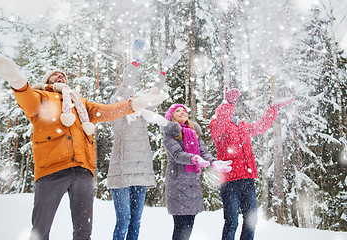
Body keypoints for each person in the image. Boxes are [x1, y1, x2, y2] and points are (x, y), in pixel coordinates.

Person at [0, 55, 168, 240]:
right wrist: (17, 81)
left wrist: (134, 105)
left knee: (83, 231)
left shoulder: (79, 103)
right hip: (51, 169)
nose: (60, 77)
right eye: (55, 75)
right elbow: (27, 101)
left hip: (82, 169)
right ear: (46, 80)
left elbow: (106, 111)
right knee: (41, 229)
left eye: (63, 75)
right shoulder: (42, 97)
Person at [107, 39, 181, 240]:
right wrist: (135, 62)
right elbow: (125, 86)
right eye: (128, 95)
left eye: (134, 94)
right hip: (121, 173)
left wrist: (164, 71)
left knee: (135, 221)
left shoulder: (144, 114)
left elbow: (154, 94)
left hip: (141, 172)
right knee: (123, 221)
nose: (132, 94)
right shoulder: (117, 115)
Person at [209, 87, 294, 240]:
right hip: (229, 182)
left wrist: (273, 108)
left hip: (247, 180)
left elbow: (262, 125)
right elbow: (222, 119)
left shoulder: (242, 127)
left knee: (251, 221)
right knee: (232, 222)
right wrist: (228, 102)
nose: (229, 112)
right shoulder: (217, 127)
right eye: (224, 110)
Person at [161, 103, 232, 240]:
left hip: (192, 183)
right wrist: (193, 158)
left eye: (183, 110)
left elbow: (204, 153)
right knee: (180, 227)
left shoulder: (194, 132)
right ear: (172, 117)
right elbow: (177, 154)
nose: (182, 112)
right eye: (177, 111)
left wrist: (213, 162)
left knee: (189, 226)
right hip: (177, 184)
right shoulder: (169, 134)